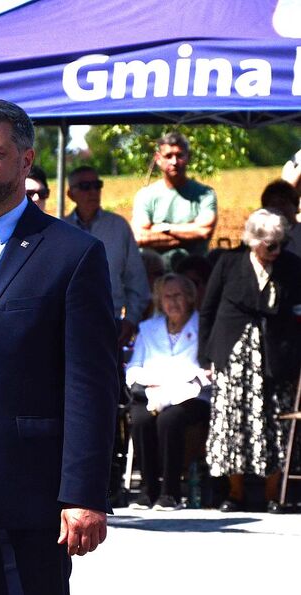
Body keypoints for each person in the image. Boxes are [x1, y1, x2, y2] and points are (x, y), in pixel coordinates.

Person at [0, 100, 119, 595]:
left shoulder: (72, 253)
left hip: (27, 496)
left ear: (27, 161)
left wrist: (83, 495)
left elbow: (90, 385)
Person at [200, 209, 301, 514]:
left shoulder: (292, 267)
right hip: (233, 354)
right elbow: (209, 309)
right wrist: (207, 355)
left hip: (276, 355)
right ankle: (235, 493)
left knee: (275, 422)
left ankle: (274, 494)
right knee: (232, 423)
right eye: (270, 245)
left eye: (280, 244)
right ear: (254, 241)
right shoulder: (228, 263)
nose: (276, 251)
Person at [125, 273, 211, 511]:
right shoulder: (148, 328)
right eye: (167, 297)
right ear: (159, 301)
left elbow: (206, 369)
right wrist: (150, 381)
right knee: (140, 419)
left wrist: (179, 382)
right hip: (153, 391)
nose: (172, 302)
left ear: (190, 298)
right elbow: (133, 367)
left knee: (169, 419)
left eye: (178, 296)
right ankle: (147, 490)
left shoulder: (203, 325)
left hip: (190, 394)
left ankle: (170, 493)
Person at [65, 165, 150, 347]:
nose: (93, 191)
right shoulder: (60, 230)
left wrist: (131, 320)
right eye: (85, 186)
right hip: (66, 328)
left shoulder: (119, 227)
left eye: (97, 185)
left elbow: (137, 279)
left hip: (111, 326)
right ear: (71, 194)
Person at [131, 132, 217, 270]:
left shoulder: (205, 194)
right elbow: (139, 237)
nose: (174, 162)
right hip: (156, 276)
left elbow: (204, 232)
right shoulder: (145, 195)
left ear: (189, 157)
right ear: (158, 159)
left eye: (179, 155)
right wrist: (190, 234)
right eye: (168, 156)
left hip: (195, 274)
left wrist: (164, 228)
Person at [260, 179, 301, 258]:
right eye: (273, 204)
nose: (278, 208)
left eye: (283, 203)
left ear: (296, 207)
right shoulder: (257, 237)